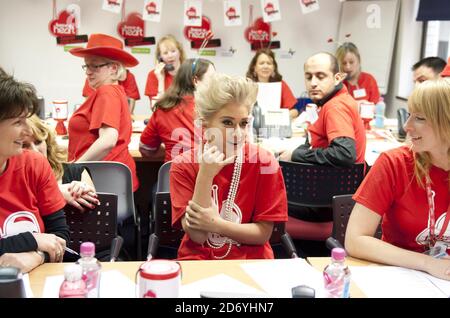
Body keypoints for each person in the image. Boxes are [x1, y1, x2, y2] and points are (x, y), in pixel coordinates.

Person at [170, 73, 288, 260]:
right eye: (227, 122)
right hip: (198, 261)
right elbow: (198, 236)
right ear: (205, 124)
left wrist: (217, 225)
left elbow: (263, 234)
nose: (238, 133)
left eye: (243, 123)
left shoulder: (265, 162)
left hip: (252, 262)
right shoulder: (182, 165)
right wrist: (205, 175)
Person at [346, 78, 450, 281]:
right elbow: (355, 240)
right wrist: (428, 264)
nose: (407, 125)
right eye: (410, 115)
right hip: (400, 276)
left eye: (419, 118)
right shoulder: (395, 163)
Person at [0, 71, 69, 273]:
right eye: (17, 122)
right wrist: (32, 240)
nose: (28, 132)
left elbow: (60, 235)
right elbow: (44, 239)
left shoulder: (34, 164)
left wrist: (36, 256)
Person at [68, 33, 139, 192]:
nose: (88, 72)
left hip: (101, 183)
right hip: (109, 181)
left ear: (113, 68)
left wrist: (73, 169)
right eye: (86, 66)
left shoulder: (106, 93)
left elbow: (107, 141)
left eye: (95, 66)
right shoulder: (114, 91)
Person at [279, 52, 366, 167]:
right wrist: (295, 152)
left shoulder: (335, 107)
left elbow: (345, 154)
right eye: (308, 77)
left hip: (335, 182)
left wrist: (296, 155)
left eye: (320, 77)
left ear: (337, 78)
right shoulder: (330, 101)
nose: (313, 83)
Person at [139, 58, 215, 162]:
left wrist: (173, 153)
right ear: (196, 81)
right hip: (207, 173)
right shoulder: (215, 109)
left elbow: (146, 149)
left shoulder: (164, 108)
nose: (216, 83)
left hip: (173, 173)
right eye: (212, 78)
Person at [23, 115, 99, 211]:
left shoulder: (76, 172)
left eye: (38, 142)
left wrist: (83, 191)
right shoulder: (8, 181)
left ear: (47, 142)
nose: (35, 151)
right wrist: (54, 193)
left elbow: (96, 219)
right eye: (24, 145)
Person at [246, 48, 299, 119]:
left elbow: (295, 111)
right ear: (254, 67)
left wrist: (281, 117)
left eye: (269, 63)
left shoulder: (281, 85)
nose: (265, 66)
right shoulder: (246, 85)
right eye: (261, 63)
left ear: (273, 67)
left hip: (276, 126)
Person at [145, 35, 186, 107]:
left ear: (180, 52)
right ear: (160, 57)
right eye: (165, 53)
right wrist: (161, 80)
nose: (170, 55)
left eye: (173, 51)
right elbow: (155, 107)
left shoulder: (189, 73)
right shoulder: (153, 75)